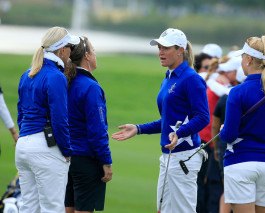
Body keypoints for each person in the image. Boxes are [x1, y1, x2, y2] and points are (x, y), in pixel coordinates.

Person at [112, 28, 210, 213]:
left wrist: (179, 134)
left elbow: (203, 117)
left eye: (166, 48)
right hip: (168, 157)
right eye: (159, 47)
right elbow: (168, 121)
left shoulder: (191, 79)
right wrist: (139, 129)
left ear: (180, 50)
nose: (160, 52)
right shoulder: (168, 78)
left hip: (183, 157)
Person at [219, 35, 265, 213]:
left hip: (240, 164)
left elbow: (229, 135)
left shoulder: (237, 92)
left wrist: (223, 130)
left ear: (249, 59)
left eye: (242, 57)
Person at [15, 26, 79, 213]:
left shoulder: (28, 73)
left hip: (24, 145)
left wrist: (26, 137)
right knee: (52, 208)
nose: (71, 52)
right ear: (62, 50)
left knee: (29, 208)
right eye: (70, 47)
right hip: (45, 147)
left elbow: (21, 113)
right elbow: (60, 118)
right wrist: (66, 150)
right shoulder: (56, 76)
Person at [64, 36, 113, 213]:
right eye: (93, 51)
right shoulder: (90, 86)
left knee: (67, 208)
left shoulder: (66, 81)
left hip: (65, 158)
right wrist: (106, 162)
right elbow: (97, 131)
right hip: (85, 159)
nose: (95, 54)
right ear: (87, 56)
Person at [212, 67, 246, 213]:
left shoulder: (226, 97)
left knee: (228, 191)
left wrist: (215, 147)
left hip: (225, 146)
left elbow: (215, 126)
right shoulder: (257, 96)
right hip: (249, 149)